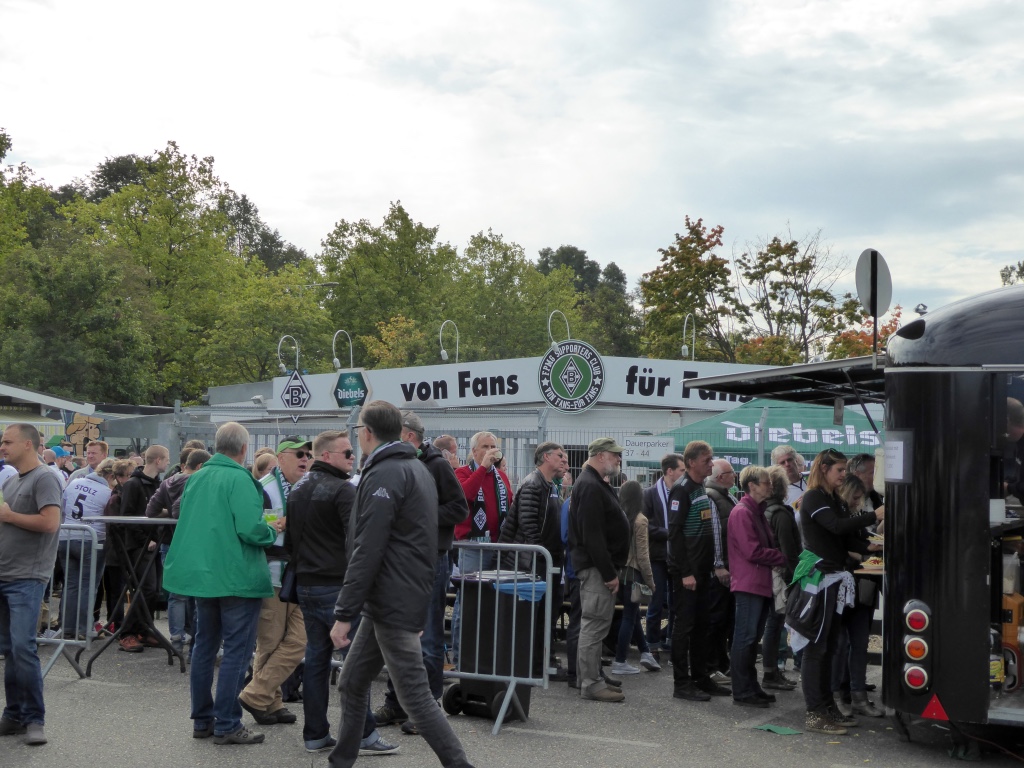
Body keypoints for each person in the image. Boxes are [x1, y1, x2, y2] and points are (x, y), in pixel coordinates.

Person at [328, 401, 475, 768]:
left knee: (416, 698)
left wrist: (344, 613)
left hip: (391, 599)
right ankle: (341, 759)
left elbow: (368, 546)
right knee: (351, 682)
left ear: (366, 432)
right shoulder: (414, 468)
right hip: (393, 597)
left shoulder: (388, 473)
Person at [163, 421, 281, 745]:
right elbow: (250, 528)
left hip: (203, 575)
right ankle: (228, 723)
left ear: (217, 446)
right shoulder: (241, 479)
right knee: (236, 653)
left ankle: (202, 720)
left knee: (204, 647)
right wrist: (273, 530)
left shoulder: (196, 477)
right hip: (236, 576)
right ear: (244, 449)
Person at [285, 429, 397, 755]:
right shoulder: (343, 491)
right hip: (335, 586)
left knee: (318, 661)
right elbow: (358, 544)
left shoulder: (297, 489)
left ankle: (316, 734)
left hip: (306, 584)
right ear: (327, 456)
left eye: (352, 452)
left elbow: (290, 542)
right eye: (347, 453)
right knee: (355, 665)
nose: (352, 458)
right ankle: (363, 734)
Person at [376, 412, 469, 734]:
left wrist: (420, 514)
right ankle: (395, 704)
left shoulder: (437, 465)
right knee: (400, 637)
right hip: (402, 561)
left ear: (409, 436)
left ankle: (427, 708)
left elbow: (459, 508)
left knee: (428, 637)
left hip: (431, 560)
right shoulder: (397, 464)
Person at [794, 448, 883, 736]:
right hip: (818, 577)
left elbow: (849, 537)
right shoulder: (814, 497)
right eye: (839, 470)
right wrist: (874, 514)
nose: (844, 475)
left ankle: (826, 707)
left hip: (834, 576)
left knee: (831, 646)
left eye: (844, 470)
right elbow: (836, 526)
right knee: (816, 648)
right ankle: (814, 712)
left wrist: (871, 546)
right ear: (823, 469)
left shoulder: (834, 499)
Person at [239, 436, 310, 727]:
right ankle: (272, 702)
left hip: (298, 574)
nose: (305, 458)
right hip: (273, 576)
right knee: (270, 643)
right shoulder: (266, 489)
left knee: (298, 641)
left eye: (308, 454)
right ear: (280, 459)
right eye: (298, 454)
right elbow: (259, 531)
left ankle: (257, 694)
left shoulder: (304, 486)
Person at [0, 424, 63, 746]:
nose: (2, 446)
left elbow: (51, 523)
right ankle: (14, 714)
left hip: (27, 576)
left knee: (23, 647)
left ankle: (34, 717)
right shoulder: (12, 480)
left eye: (8, 441)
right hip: (6, 574)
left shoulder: (45, 477)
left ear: (29, 444)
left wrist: (9, 517)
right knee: (11, 649)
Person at [568, 437, 630, 703]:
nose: (618, 460)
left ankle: (593, 677)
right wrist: (608, 574)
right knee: (593, 626)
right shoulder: (590, 485)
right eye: (615, 455)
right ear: (602, 455)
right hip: (596, 569)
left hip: (598, 567)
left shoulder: (594, 483)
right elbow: (592, 536)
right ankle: (591, 683)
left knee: (596, 624)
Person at [669, 441, 730, 702]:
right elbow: (674, 535)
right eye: (707, 460)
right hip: (688, 574)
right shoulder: (681, 490)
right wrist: (685, 572)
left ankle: (701, 678)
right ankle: (682, 684)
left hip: (704, 572)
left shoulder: (700, 488)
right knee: (685, 627)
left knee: (703, 627)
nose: (711, 464)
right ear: (692, 462)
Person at [726, 465, 787, 709]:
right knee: (746, 637)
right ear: (751, 486)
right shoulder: (743, 512)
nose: (769, 486)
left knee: (751, 638)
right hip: (749, 582)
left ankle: (751, 687)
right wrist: (782, 557)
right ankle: (742, 690)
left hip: (757, 582)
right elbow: (752, 550)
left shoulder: (756, 511)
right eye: (765, 482)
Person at [451, 431, 511, 667]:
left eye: (493, 446)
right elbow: (463, 495)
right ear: (474, 451)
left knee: (491, 605)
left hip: (497, 546)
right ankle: (460, 658)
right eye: (485, 446)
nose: (490, 450)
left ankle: (484, 657)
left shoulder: (501, 477)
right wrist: (482, 468)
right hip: (472, 547)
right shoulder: (463, 473)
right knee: (467, 603)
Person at [146, 449, 210, 654]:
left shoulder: (168, 482)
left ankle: (175, 638)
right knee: (197, 595)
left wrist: (168, 515)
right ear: (200, 467)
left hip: (169, 542)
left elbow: (151, 511)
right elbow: (178, 509)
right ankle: (196, 646)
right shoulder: (198, 481)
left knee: (176, 593)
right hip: (192, 543)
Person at [831, 474, 884, 719]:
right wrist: (864, 555)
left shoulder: (853, 517)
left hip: (862, 586)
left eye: (859, 498)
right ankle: (840, 694)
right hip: (844, 585)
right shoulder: (837, 518)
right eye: (854, 497)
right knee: (841, 645)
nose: (857, 502)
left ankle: (858, 695)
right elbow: (845, 547)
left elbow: (861, 543)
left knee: (860, 643)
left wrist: (870, 549)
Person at [117, 444, 170, 653]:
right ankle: (127, 633)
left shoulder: (158, 484)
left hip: (153, 542)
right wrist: (144, 539)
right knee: (144, 588)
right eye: (166, 459)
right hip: (139, 545)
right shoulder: (133, 484)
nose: (168, 462)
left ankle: (144, 629)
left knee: (153, 590)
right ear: (158, 460)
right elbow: (127, 516)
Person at [58, 458, 115, 640]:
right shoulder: (106, 492)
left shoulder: (75, 482)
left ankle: (67, 627)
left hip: (67, 535)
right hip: (91, 539)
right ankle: (84, 628)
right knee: (89, 585)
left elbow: (63, 506)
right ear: (110, 476)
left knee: (71, 584)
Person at [610, 480, 659, 676]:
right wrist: (650, 581)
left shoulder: (618, 516)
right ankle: (620, 660)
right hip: (634, 574)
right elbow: (643, 555)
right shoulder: (640, 520)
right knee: (630, 616)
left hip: (618, 573)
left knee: (632, 614)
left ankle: (646, 652)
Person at [761, 466, 801, 690]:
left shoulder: (765, 510)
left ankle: (771, 671)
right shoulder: (780, 514)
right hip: (780, 575)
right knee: (774, 624)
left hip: (771, 573)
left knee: (772, 624)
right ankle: (770, 673)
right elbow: (788, 552)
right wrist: (795, 579)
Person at [644, 454, 684, 661]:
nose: (683, 474)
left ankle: (672, 641)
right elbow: (644, 526)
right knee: (656, 602)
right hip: (658, 556)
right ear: (670, 471)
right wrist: (668, 533)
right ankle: (652, 645)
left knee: (676, 602)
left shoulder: (682, 493)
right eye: (681, 470)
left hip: (677, 557)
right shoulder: (649, 494)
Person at [704, 458, 737, 683]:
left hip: (730, 567)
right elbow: (715, 534)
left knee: (726, 619)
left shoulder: (728, 497)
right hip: (721, 569)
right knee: (715, 619)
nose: (734, 475)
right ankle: (711, 666)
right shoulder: (712, 497)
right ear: (720, 477)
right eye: (731, 472)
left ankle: (722, 663)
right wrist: (718, 565)